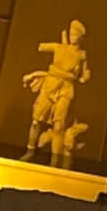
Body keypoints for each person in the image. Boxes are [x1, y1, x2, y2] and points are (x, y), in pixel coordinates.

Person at [22, 19, 90, 160]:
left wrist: (85, 77)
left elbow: (83, 75)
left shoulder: (82, 55)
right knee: (36, 121)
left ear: (80, 37)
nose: (72, 36)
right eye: (71, 33)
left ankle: (54, 159)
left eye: (75, 34)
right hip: (50, 85)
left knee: (59, 125)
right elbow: (40, 46)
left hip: (66, 89)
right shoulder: (58, 47)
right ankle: (30, 150)